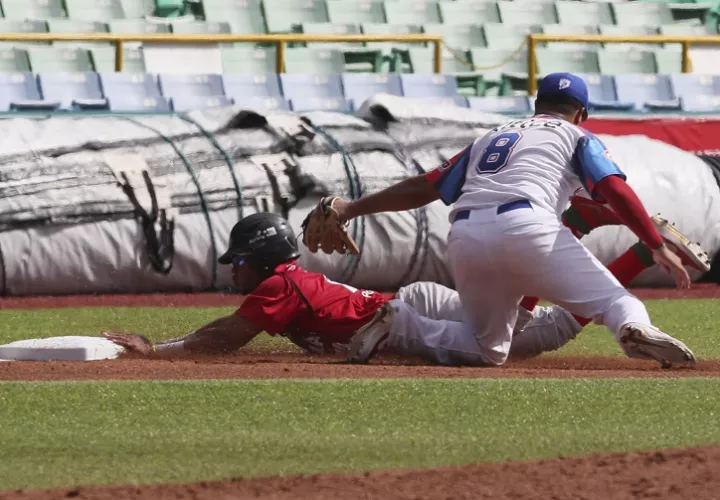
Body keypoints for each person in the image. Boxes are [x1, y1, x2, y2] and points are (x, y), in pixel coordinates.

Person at [317, 72, 698, 368]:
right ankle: (633, 328)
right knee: (615, 301)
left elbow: (423, 187)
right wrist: (654, 243)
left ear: (537, 105)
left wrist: (350, 208)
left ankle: (402, 325)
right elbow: (613, 186)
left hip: (465, 234)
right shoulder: (575, 135)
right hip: (528, 225)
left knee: (489, 348)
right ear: (582, 114)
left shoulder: (491, 136)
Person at [104, 208, 709, 366]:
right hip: (410, 300)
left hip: (402, 318)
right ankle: (625, 246)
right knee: (531, 326)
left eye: (240, 260)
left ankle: (596, 234)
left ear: (261, 261)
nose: (234, 270)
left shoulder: (276, 287)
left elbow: (224, 337)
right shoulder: (287, 282)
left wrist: (161, 349)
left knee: (527, 340)